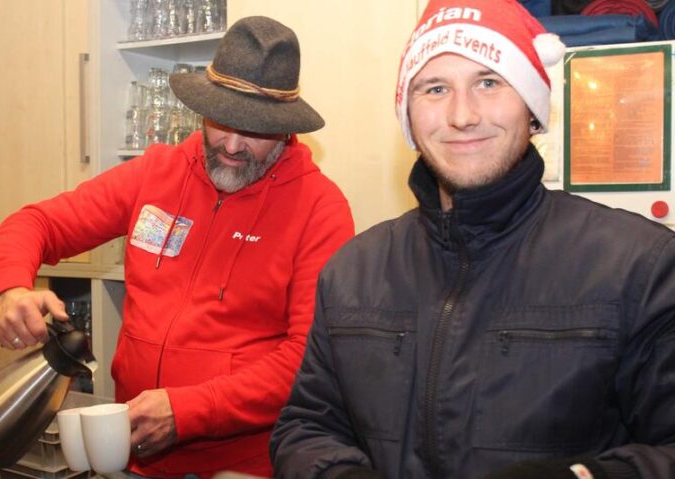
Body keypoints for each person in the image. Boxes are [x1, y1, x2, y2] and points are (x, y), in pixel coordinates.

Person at [270, 1, 675, 478]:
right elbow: (306, 427)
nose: (462, 115)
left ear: (532, 109)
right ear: (409, 117)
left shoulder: (639, 266)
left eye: (489, 82)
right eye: (435, 88)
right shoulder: (353, 271)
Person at [0, 16, 354, 478]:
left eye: (256, 130)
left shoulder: (319, 208)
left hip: (244, 468)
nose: (233, 146)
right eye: (222, 121)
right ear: (202, 108)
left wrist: (190, 410)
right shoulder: (157, 172)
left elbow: (308, 358)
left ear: (284, 128)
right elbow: (36, 223)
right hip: (135, 461)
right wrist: (10, 289)